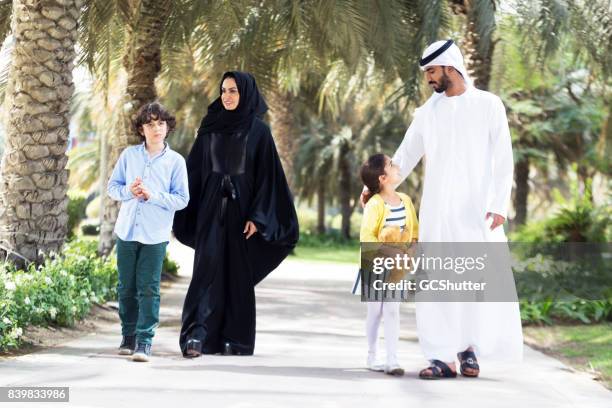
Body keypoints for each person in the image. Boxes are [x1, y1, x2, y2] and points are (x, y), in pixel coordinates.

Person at [361, 39, 523, 379]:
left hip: (477, 213)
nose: (428, 79)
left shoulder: (489, 105)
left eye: (432, 71)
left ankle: (469, 351)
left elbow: (503, 158)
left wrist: (498, 205)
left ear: (451, 67)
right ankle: (441, 357)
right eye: (426, 73)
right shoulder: (426, 113)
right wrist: (375, 187)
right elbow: (404, 157)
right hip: (436, 212)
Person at [173, 71, 299, 358]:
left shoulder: (259, 132)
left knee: (237, 276)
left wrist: (258, 216)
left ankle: (235, 340)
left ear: (246, 94)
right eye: (224, 91)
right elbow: (195, 170)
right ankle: (196, 336)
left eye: (233, 91)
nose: (227, 97)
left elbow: (268, 177)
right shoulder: (210, 126)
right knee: (205, 272)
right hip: (209, 212)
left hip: (244, 217)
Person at [108, 102, 189, 362]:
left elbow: (182, 199)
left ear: (168, 127)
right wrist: (128, 192)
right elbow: (113, 188)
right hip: (127, 231)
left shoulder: (176, 162)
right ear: (141, 129)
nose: (156, 129)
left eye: (161, 124)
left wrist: (152, 196)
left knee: (149, 289)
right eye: (150, 124)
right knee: (126, 288)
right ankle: (128, 336)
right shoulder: (129, 156)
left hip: (155, 235)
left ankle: (144, 341)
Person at [359, 154, 419, 376]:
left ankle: (392, 359)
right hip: (374, 265)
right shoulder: (374, 204)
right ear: (383, 178)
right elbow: (367, 237)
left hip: (397, 268)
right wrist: (390, 253)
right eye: (391, 164)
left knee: (392, 311)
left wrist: (410, 252)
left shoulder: (406, 201)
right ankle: (371, 355)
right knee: (375, 312)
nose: (397, 166)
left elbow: (414, 232)